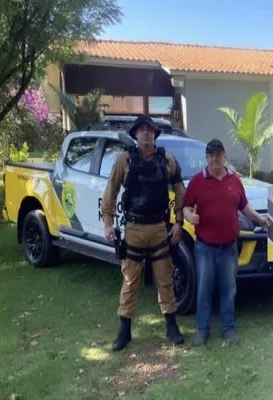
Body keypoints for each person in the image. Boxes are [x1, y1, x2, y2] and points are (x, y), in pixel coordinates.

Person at [101, 115, 186, 351]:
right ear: (136, 134)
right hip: (134, 229)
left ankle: (171, 327)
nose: (146, 133)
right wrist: (108, 224)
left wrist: (179, 222)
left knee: (165, 279)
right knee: (130, 281)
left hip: (160, 228)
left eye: (150, 129)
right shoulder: (124, 160)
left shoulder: (167, 159)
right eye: (142, 129)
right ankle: (124, 331)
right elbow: (110, 191)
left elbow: (180, 190)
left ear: (155, 134)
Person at [182, 139, 269, 346]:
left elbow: (244, 207)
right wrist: (189, 216)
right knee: (204, 289)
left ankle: (228, 328)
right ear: (206, 158)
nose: (215, 159)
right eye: (211, 155)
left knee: (229, 290)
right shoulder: (197, 181)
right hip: (205, 247)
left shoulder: (234, 180)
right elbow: (185, 207)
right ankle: (202, 330)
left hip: (229, 247)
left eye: (218, 155)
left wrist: (260, 219)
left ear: (225, 157)